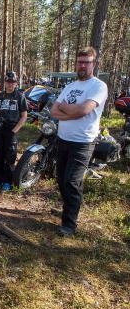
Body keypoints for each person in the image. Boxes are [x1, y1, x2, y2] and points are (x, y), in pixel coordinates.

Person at [50, 46, 108, 236]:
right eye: (79, 62)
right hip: (63, 139)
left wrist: (66, 111)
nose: (82, 65)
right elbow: (53, 111)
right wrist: (72, 112)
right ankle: (69, 209)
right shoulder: (70, 86)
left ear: (93, 64)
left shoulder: (98, 86)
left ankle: (69, 224)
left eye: (86, 62)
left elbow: (83, 111)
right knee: (60, 179)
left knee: (72, 181)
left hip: (83, 142)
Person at [0, 71, 28, 191]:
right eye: (8, 82)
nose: (10, 84)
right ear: (5, 82)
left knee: (10, 155)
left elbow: (24, 116)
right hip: (0, 128)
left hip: (12, 128)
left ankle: (7, 181)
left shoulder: (20, 96)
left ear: (16, 83)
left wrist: (14, 130)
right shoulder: (0, 96)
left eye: (13, 82)